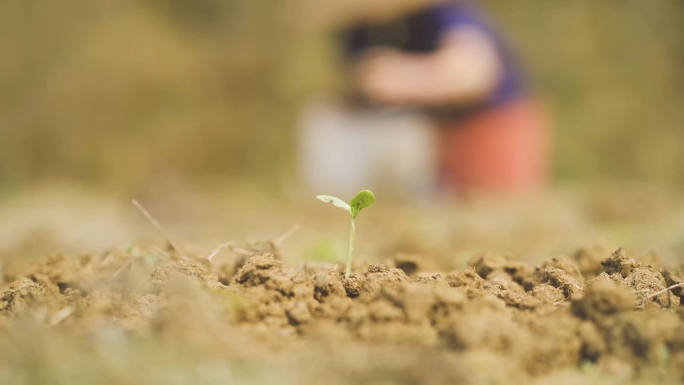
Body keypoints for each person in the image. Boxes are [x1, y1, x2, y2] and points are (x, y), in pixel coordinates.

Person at [301, 0, 551, 198]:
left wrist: (404, 78)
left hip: (490, 128)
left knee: (496, 209)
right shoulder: (359, 29)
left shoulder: (445, 14)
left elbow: (473, 74)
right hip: (436, 139)